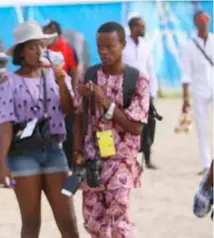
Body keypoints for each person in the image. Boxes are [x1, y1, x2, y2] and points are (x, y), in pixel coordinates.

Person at [0, 21, 79, 238]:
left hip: (54, 150)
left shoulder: (56, 75)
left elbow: (71, 109)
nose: (39, 51)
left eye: (42, 45)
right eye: (32, 46)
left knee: (68, 220)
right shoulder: (8, 81)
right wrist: (2, 163)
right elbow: (5, 125)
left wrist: (62, 79)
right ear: (21, 52)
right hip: (22, 154)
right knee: (31, 221)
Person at [73, 22, 149, 237]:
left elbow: (135, 127)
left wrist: (104, 100)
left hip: (121, 161)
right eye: (100, 47)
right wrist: (77, 152)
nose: (104, 52)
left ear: (123, 45)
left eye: (110, 46)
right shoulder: (88, 77)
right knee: (92, 222)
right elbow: (78, 117)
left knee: (117, 220)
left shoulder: (138, 81)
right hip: (92, 160)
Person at [123, 16, 159, 169]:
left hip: (145, 92)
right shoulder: (123, 44)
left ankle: (148, 158)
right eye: (141, 26)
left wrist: (153, 92)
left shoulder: (146, 45)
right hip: (128, 91)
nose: (143, 29)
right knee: (130, 125)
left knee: (149, 124)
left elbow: (151, 69)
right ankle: (131, 158)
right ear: (132, 27)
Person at [43, 20, 80, 169]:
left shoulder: (66, 47)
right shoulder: (43, 49)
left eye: (51, 32)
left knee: (69, 128)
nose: (48, 35)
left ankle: (69, 160)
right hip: (47, 95)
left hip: (64, 91)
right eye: (46, 32)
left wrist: (73, 90)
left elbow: (74, 68)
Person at [180, 10, 213, 175]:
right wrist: (185, 99)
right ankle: (207, 165)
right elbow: (185, 74)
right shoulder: (189, 46)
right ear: (196, 23)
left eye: (207, 19)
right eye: (202, 20)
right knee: (202, 128)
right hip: (199, 90)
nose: (206, 22)